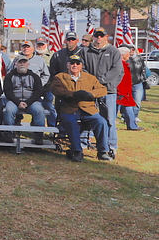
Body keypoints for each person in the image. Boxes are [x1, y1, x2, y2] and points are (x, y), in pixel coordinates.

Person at [52, 54, 110, 162]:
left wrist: (90, 94)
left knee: (101, 122)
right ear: (67, 65)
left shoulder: (90, 78)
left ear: (81, 65)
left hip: (88, 109)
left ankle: (103, 151)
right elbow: (56, 90)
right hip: (69, 109)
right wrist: (72, 94)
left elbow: (102, 90)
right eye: (72, 63)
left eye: (77, 63)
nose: (75, 65)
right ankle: (77, 151)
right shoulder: (60, 77)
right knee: (71, 123)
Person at [84, 27, 123, 159]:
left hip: (108, 91)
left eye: (101, 35)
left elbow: (117, 70)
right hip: (90, 90)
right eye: (97, 35)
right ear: (93, 37)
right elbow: (82, 68)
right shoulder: (85, 51)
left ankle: (111, 145)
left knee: (109, 119)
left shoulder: (113, 51)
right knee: (88, 116)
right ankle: (85, 141)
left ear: (106, 37)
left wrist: (102, 81)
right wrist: (92, 82)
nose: (99, 38)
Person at [3, 56, 46, 144]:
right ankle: (9, 134)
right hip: (14, 101)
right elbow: (8, 91)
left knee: (39, 110)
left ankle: (39, 136)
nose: (22, 64)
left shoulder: (34, 76)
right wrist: (18, 102)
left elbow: (38, 92)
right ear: (15, 64)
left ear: (28, 64)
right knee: (9, 110)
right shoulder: (9, 76)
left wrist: (27, 102)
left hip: (31, 101)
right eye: (20, 62)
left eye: (24, 62)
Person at [117, 46, 143, 131]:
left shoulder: (126, 63)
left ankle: (132, 125)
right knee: (114, 109)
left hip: (126, 90)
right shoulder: (119, 65)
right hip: (120, 90)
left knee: (128, 106)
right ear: (122, 55)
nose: (129, 55)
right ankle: (110, 125)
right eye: (127, 54)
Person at [126, 44, 147, 120]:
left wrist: (142, 77)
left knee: (137, 101)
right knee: (127, 101)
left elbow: (143, 69)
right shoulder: (125, 59)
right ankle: (126, 116)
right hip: (127, 83)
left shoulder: (140, 58)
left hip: (138, 82)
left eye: (131, 50)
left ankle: (135, 116)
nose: (130, 52)